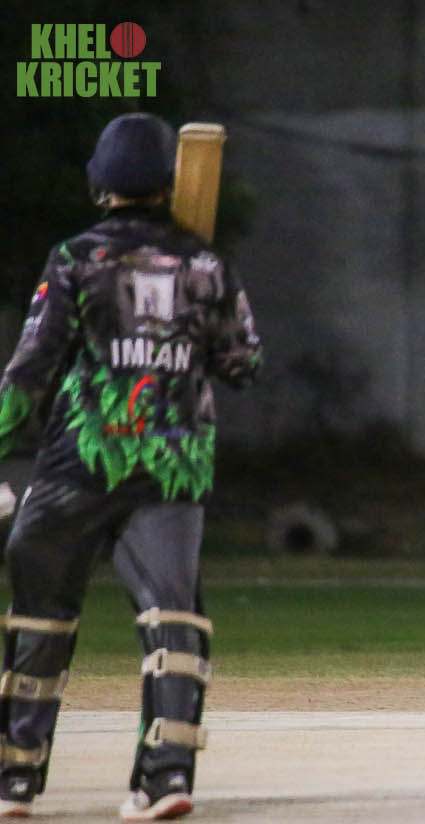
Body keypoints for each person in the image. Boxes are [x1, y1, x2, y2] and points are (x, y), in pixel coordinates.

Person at [0, 113, 262, 819]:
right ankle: (165, 781)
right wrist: (188, 331)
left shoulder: (75, 257)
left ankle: (15, 783)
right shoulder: (207, 266)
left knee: (40, 615)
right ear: (169, 184)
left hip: (77, 462)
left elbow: (31, 369)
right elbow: (244, 364)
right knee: (172, 615)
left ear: (100, 183)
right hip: (173, 467)